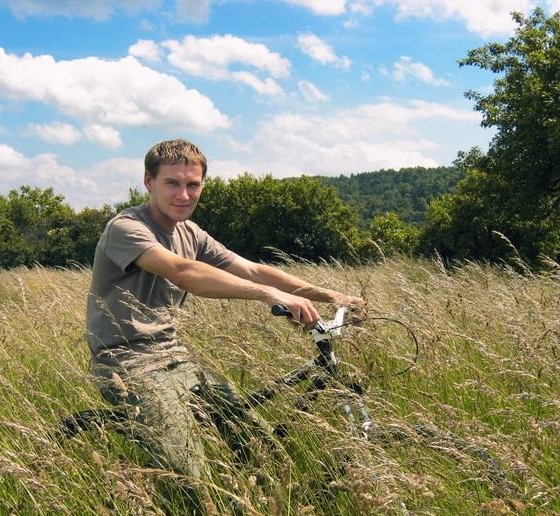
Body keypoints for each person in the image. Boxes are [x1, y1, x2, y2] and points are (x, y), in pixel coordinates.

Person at [85, 138, 364, 485]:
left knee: (261, 447)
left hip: (175, 357)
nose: (183, 195)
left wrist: (331, 295)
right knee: (191, 473)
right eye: (172, 183)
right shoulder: (126, 228)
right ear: (149, 182)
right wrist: (269, 295)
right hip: (125, 362)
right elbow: (183, 273)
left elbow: (252, 270)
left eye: (193, 184)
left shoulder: (190, 232)